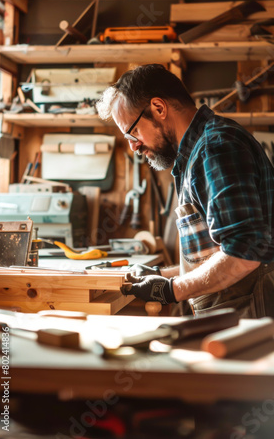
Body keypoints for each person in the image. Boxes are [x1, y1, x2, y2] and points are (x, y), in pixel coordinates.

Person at [97, 64, 274, 318]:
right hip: (232, 316)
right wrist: (160, 276)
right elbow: (211, 256)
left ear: (159, 108)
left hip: (250, 324)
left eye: (133, 131)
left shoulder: (215, 148)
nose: (134, 147)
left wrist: (171, 290)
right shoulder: (193, 155)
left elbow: (244, 253)